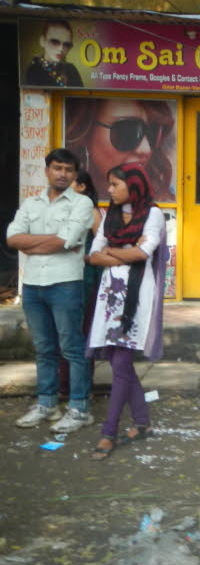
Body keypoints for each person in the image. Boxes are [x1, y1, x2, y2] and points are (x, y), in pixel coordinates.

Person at [6, 149, 95, 432]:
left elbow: (66, 240)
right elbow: (11, 238)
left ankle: (78, 408)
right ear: (47, 170)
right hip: (32, 285)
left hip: (66, 283)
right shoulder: (31, 203)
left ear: (74, 174)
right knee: (44, 348)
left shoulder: (82, 203)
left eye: (68, 170)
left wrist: (30, 243)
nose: (62, 174)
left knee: (71, 348)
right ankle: (46, 404)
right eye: (57, 168)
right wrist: (52, 241)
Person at [86, 164, 167, 460]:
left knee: (120, 363)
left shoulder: (153, 214)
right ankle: (143, 423)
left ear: (133, 185)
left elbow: (142, 254)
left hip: (136, 300)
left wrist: (113, 253)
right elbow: (93, 255)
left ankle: (108, 433)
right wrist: (124, 251)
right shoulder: (111, 216)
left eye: (115, 184)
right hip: (110, 297)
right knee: (119, 362)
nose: (109, 190)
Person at [65, 97, 176, 202]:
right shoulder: (66, 196)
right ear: (86, 133)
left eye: (153, 132)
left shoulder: (166, 197)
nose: (145, 149)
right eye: (126, 131)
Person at [58, 170, 105, 397]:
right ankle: (64, 385)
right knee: (64, 332)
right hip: (64, 277)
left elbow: (103, 247)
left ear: (83, 187)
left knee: (82, 332)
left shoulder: (93, 213)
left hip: (86, 280)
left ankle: (81, 386)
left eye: (72, 182)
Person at [24, 20, 84, 87]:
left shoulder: (71, 69)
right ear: (42, 41)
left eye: (67, 44)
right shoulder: (34, 70)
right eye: (55, 42)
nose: (61, 48)